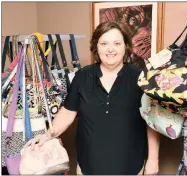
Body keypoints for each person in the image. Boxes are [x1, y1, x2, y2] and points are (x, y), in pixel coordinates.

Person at [25, 21, 160, 175]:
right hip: (89, 166)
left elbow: (152, 123)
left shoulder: (141, 78)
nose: (110, 49)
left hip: (130, 166)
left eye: (117, 43)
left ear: (126, 46)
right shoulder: (82, 76)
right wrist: (48, 135)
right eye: (104, 43)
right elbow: (68, 112)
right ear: (96, 46)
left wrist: (153, 160)